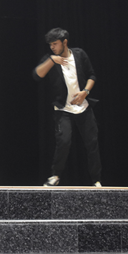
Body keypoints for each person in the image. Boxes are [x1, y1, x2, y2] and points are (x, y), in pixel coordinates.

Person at [33, 27, 101, 187]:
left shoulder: (79, 54)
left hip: (83, 107)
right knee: (63, 142)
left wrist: (85, 92)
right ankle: (55, 175)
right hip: (63, 109)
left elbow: (92, 75)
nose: (52, 47)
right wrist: (52, 60)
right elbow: (37, 75)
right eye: (50, 44)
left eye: (55, 44)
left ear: (64, 42)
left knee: (92, 143)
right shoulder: (50, 59)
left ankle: (96, 180)